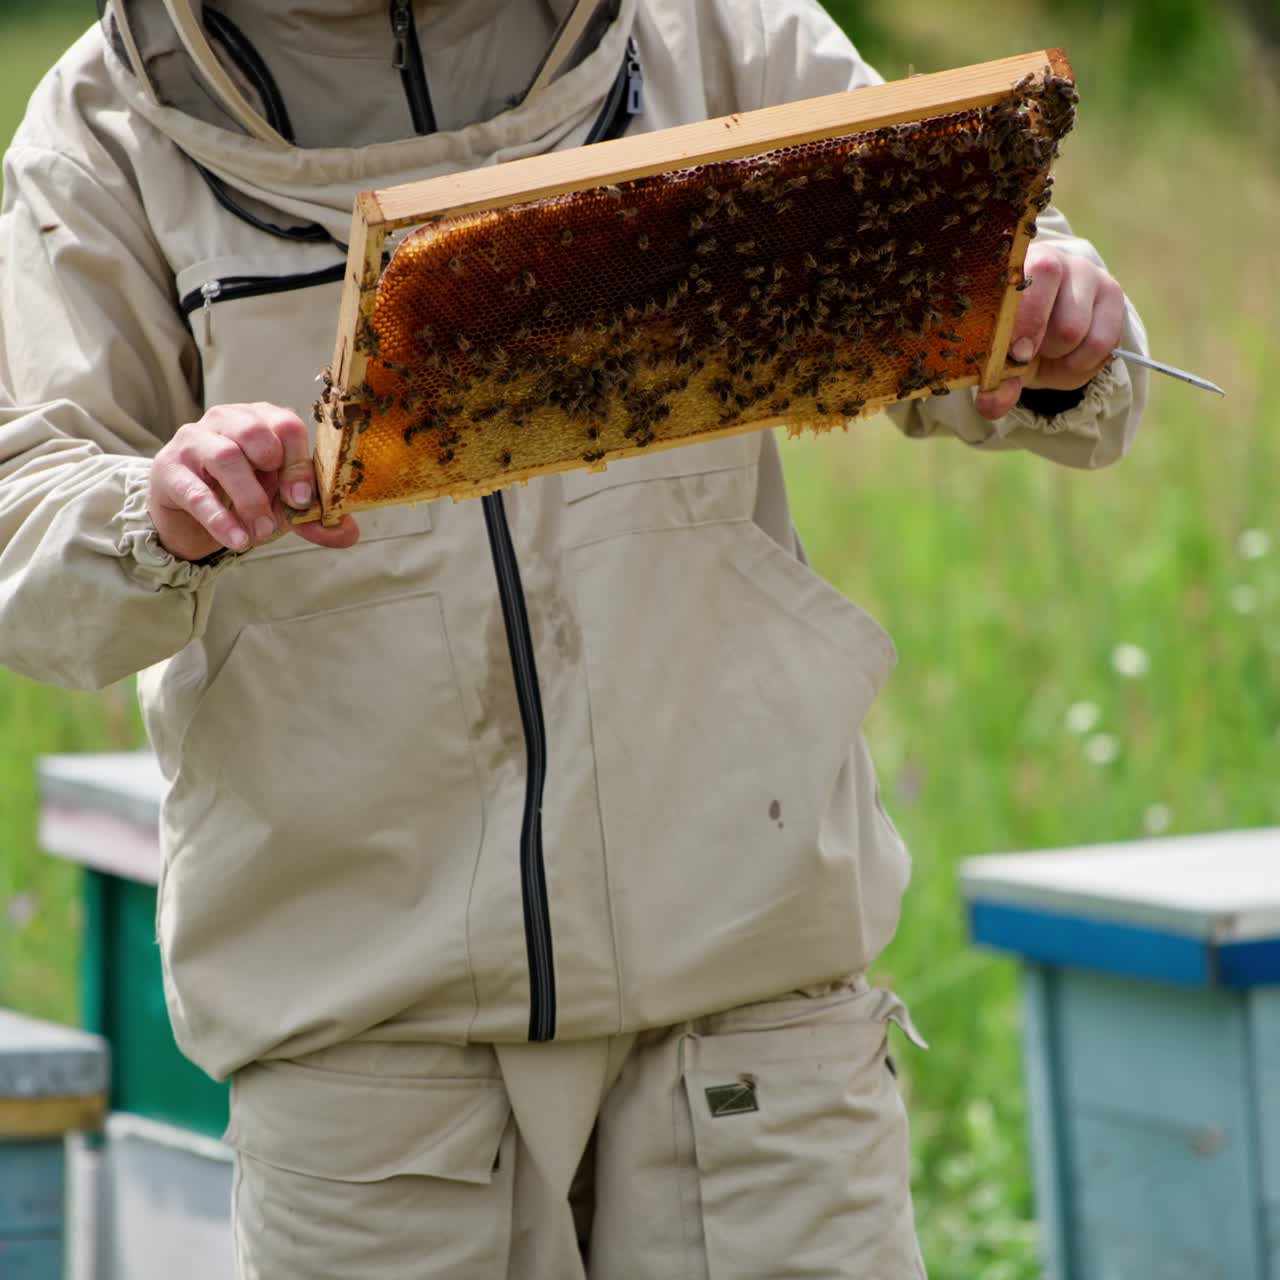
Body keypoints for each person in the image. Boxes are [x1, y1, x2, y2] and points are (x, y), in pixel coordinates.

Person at [0, 1, 1148, 1276]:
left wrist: (1055, 323)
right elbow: (24, 534)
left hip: (753, 1001)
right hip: (368, 1045)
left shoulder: (717, 33)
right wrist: (148, 508)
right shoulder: (100, 129)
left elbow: (1005, 310)